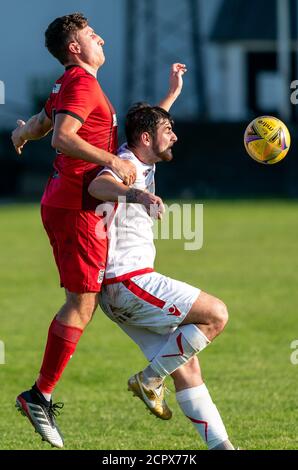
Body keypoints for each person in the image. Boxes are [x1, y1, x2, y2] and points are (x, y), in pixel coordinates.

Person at [11, 13, 187, 448]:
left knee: (85, 300)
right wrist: (112, 162)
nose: (101, 38)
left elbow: (40, 124)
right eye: (91, 35)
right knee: (82, 303)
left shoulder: (69, 82)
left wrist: (19, 134)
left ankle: (44, 393)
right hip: (76, 205)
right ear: (75, 48)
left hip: (69, 202)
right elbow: (62, 137)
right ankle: (40, 395)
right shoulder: (81, 83)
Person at [88, 104, 236, 451]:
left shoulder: (140, 152)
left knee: (187, 366)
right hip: (130, 281)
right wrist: (135, 193)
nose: (175, 136)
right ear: (145, 138)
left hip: (117, 291)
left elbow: (149, 124)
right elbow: (99, 185)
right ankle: (149, 379)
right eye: (168, 130)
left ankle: (223, 448)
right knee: (216, 314)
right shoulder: (127, 166)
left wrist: (171, 95)